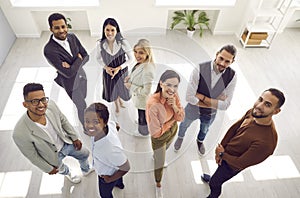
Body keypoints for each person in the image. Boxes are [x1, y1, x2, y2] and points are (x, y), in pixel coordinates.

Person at [201, 88, 285, 198]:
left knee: (215, 183)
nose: (259, 106)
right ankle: (214, 178)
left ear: (276, 111)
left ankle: (213, 194)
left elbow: (240, 163)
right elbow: (235, 128)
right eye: (260, 99)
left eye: (267, 105)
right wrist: (221, 149)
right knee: (217, 174)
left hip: (231, 165)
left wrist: (222, 155)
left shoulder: (267, 143)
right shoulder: (253, 112)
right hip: (225, 154)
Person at [12, 83, 93, 184]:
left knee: (84, 154)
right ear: (25, 104)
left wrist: (74, 137)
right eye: (34, 101)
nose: (41, 105)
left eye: (43, 99)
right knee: (61, 169)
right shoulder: (19, 133)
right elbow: (32, 156)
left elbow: (63, 120)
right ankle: (69, 173)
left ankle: (85, 170)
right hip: (51, 155)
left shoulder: (51, 105)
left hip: (66, 142)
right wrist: (47, 168)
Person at [173, 44, 237, 155]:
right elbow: (189, 97)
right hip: (192, 109)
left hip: (210, 113)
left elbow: (225, 105)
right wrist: (215, 100)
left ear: (232, 62)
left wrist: (202, 97)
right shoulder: (199, 68)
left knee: (204, 130)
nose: (222, 63)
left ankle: (200, 141)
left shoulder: (232, 76)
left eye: (227, 61)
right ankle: (180, 137)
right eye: (221, 58)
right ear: (217, 54)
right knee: (184, 125)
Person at [44, 13, 89, 127]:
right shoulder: (49, 50)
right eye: (57, 28)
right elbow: (68, 74)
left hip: (82, 77)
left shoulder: (72, 37)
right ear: (51, 29)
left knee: (83, 98)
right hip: (70, 84)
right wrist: (78, 59)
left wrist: (73, 65)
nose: (61, 30)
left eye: (63, 26)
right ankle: (86, 126)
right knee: (81, 106)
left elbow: (86, 56)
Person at [146, 70, 185, 198]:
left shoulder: (174, 95)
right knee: (159, 164)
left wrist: (174, 107)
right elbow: (156, 132)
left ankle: (156, 156)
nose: (172, 89)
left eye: (175, 86)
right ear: (161, 83)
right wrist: (173, 119)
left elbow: (181, 118)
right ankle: (158, 184)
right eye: (169, 85)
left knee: (167, 148)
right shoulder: (153, 104)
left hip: (172, 130)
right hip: (160, 137)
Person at [84, 102, 130, 198]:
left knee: (104, 195)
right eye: (87, 121)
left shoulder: (111, 148)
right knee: (118, 176)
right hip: (113, 166)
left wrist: (109, 179)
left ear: (104, 122)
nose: (90, 126)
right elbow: (115, 125)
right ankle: (119, 184)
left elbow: (126, 167)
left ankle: (116, 182)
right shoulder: (108, 125)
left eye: (96, 122)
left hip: (106, 175)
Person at [96, 18, 134, 114]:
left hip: (122, 72)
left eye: (112, 30)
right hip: (109, 73)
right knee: (112, 91)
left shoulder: (123, 43)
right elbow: (98, 59)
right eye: (107, 30)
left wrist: (119, 68)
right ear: (103, 30)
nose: (109, 33)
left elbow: (131, 59)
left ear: (117, 31)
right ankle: (117, 104)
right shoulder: (100, 44)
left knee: (123, 91)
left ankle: (121, 101)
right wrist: (106, 68)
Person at [124, 39, 156, 136]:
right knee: (140, 114)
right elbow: (137, 73)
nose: (137, 55)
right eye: (136, 52)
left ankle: (143, 132)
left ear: (147, 53)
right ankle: (142, 123)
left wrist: (131, 86)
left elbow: (146, 91)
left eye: (141, 53)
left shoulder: (148, 70)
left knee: (142, 117)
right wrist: (130, 76)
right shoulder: (141, 63)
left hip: (143, 101)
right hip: (139, 99)